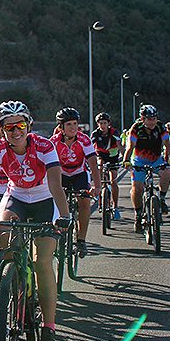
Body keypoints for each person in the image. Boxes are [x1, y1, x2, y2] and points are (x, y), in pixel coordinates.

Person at [0, 100, 71, 341]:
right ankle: (14, 287)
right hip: (17, 197)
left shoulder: (45, 146)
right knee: (5, 243)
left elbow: (56, 185)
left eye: (19, 125)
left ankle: (49, 327)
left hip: (45, 199)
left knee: (42, 261)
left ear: (28, 125)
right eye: (8, 127)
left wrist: (64, 216)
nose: (15, 131)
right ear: (1, 130)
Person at [51, 108, 101, 256]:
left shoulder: (84, 139)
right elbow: (47, 165)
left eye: (75, 124)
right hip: (61, 174)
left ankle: (81, 240)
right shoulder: (53, 141)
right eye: (69, 125)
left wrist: (97, 186)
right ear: (61, 127)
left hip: (79, 173)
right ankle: (55, 232)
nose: (73, 128)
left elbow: (92, 163)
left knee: (84, 202)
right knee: (55, 201)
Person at [121, 104, 170, 233]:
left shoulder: (160, 127)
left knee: (167, 172)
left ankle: (161, 199)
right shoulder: (136, 128)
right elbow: (130, 146)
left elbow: (168, 144)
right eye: (149, 119)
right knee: (137, 188)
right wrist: (126, 160)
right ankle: (138, 214)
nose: (152, 122)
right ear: (142, 119)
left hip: (156, 160)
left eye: (154, 119)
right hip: (139, 161)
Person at [91, 112, 122, 221]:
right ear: (98, 124)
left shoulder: (114, 132)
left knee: (113, 181)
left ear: (108, 123)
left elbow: (120, 145)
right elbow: (90, 147)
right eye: (100, 123)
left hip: (113, 156)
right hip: (101, 155)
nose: (103, 125)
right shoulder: (95, 134)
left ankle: (115, 207)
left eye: (104, 123)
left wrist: (124, 157)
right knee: (98, 166)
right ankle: (99, 194)